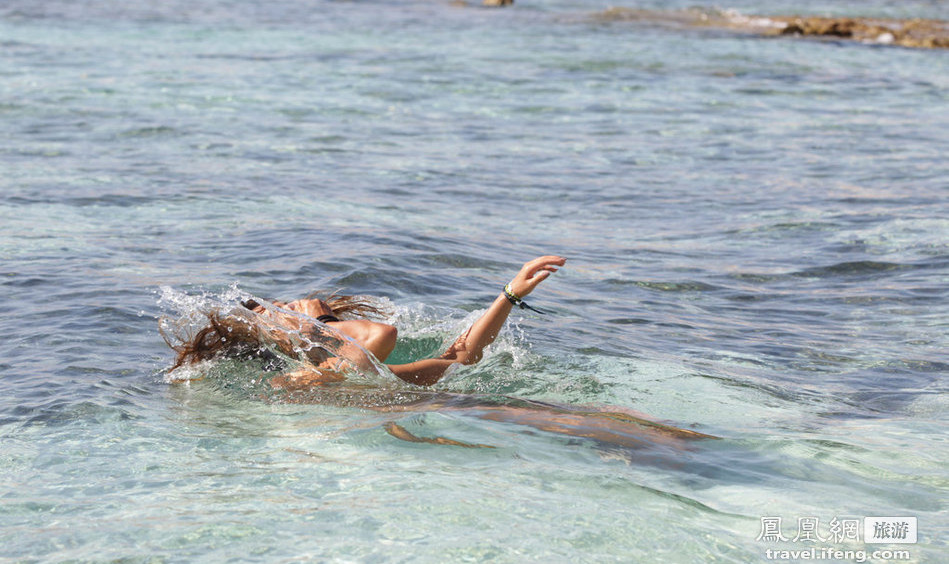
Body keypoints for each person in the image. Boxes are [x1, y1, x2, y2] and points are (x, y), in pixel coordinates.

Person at [162, 255, 715, 449]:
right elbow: (376, 338)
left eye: (323, 313)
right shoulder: (289, 384)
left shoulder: (369, 366)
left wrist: (508, 295)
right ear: (267, 336)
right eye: (281, 310)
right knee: (608, 431)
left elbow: (461, 354)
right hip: (436, 418)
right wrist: (309, 329)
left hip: (453, 408)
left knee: (626, 425)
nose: (304, 306)